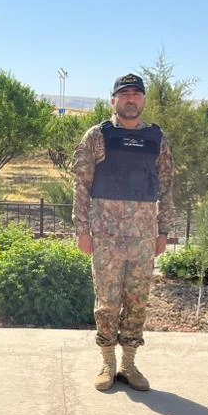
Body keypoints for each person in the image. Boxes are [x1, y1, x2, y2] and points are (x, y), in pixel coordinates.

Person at [72, 72, 174, 392]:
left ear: (143, 100)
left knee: (137, 299)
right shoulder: (97, 136)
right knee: (107, 301)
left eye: (136, 94)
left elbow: (167, 187)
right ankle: (107, 361)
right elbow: (81, 186)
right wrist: (82, 230)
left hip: (143, 235)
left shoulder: (157, 138)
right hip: (105, 234)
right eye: (124, 94)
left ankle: (129, 364)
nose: (131, 99)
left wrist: (163, 231)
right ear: (114, 100)